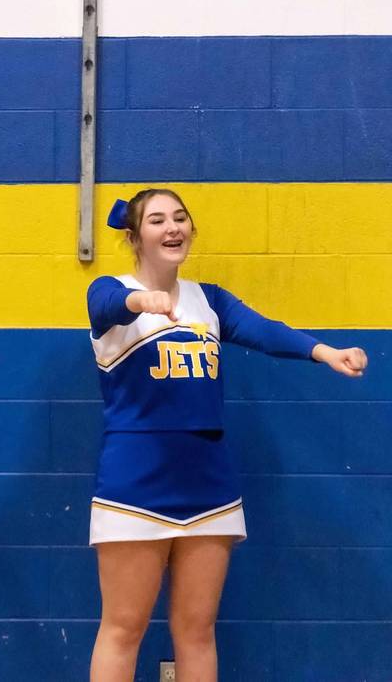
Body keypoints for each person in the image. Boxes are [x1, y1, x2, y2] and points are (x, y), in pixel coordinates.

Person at [86, 190, 367, 681]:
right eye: (157, 220)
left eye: (180, 218)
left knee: (197, 631)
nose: (172, 227)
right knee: (123, 628)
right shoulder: (110, 291)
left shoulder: (209, 300)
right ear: (134, 237)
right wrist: (141, 300)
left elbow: (263, 330)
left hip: (210, 485)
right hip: (134, 487)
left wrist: (324, 351)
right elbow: (109, 302)